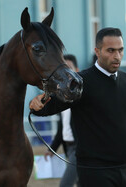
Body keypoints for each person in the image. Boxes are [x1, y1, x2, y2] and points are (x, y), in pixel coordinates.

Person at [30, 27, 126, 187]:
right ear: (97, 51)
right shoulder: (79, 82)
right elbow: (48, 107)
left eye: (120, 50)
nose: (117, 56)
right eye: (110, 51)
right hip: (93, 172)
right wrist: (37, 106)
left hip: (125, 167)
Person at [44, 54, 79, 187]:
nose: (66, 72)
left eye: (69, 68)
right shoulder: (62, 97)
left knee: (65, 184)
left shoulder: (83, 96)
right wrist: (52, 149)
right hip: (68, 148)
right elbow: (62, 128)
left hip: (80, 148)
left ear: (77, 70)